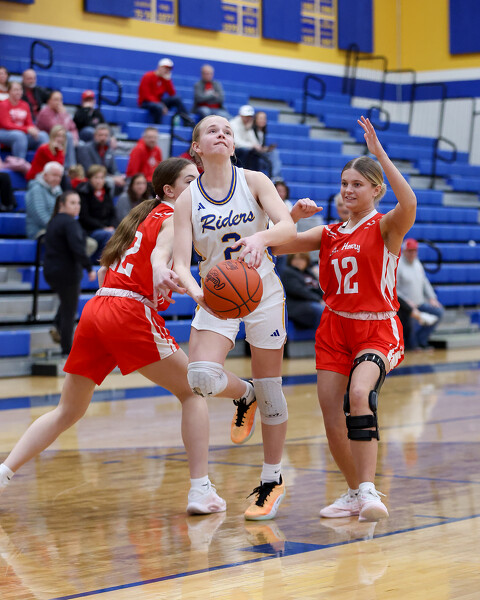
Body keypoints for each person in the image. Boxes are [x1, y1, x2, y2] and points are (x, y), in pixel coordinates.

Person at [0, 157, 227, 517]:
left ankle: (4, 472)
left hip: (98, 309)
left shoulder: (138, 218)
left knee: (68, 410)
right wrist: (167, 278)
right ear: (169, 190)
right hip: (127, 312)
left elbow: (110, 270)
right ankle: (201, 490)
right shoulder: (172, 216)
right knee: (192, 391)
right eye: (189, 180)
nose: (197, 185)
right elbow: (158, 255)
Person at [271, 117, 417, 522]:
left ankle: (369, 488)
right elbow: (277, 245)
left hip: (376, 327)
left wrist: (379, 154)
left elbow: (409, 204)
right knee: (330, 414)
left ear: (376, 190)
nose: (348, 190)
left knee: (359, 395)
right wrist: (292, 214)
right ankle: (354, 492)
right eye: (344, 184)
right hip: (334, 327)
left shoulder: (386, 225)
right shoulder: (328, 233)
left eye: (357, 184)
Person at [173, 115, 297, 521]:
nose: (222, 134)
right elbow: (180, 263)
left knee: (272, 387)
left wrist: (262, 237)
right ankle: (245, 394)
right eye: (212, 130)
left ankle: (272, 479)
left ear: (233, 143)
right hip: (218, 294)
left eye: (227, 130)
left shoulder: (255, 181)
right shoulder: (187, 199)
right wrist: (195, 292)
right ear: (197, 147)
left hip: (262, 290)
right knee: (200, 376)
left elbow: (287, 227)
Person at [43, 191, 96, 355]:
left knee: (66, 303)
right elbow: (77, 248)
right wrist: (89, 267)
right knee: (69, 311)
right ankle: (67, 349)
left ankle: (57, 325)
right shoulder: (70, 223)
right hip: (67, 272)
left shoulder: (54, 221)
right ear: (62, 204)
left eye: (78, 203)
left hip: (51, 271)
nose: (77, 206)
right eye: (72, 203)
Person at [396, 238, 443, 350]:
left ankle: (421, 340)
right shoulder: (398, 265)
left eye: (414, 251)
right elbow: (394, 289)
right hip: (406, 307)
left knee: (438, 312)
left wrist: (432, 298)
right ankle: (413, 345)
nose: (412, 253)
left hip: (420, 303)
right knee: (409, 324)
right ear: (404, 251)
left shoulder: (417, 263)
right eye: (410, 251)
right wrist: (406, 302)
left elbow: (425, 282)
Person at [77, 164, 117, 261]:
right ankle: (98, 262)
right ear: (90, 179)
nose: (99, 181)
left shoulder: (106, 191)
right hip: (89, 230)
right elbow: (84, 217)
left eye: (102, 178)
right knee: (108, 235)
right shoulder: (83, 193)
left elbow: (112, 213)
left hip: (106, 228)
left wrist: (111, 225)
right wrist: (103, 227)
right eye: (96, 178)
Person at [0, 81, 49, 159]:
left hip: (22, 133)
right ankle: (20, 162)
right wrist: (26, 129)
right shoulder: (3, 104)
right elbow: (7, 125)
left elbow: (29, 123)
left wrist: (33, 129)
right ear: (9, 91)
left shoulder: (25, 105)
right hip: (4, 132)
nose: (18, 92)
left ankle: (44, 162)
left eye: (20, 90)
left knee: (43, 135)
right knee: (19, 135)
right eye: (15, 90)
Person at [137, 58, 193, 126]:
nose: (167, 70)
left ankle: (187, 121)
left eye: (169, 69)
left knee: (177, 99)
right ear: (159, 67)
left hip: (158, 102)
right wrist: (161, 105)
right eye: (165, 68)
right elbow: (146, 95)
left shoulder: (164, 79)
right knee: (159, 107)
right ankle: (158, 126)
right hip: (146, 102)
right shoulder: (148, 76)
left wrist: (168, 80)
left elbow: (172, 94)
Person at [76, 124, 126, 195]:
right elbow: (89, 170)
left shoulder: (109, 150)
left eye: (105, 135)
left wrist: (119, 177)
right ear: (95, 136)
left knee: (124, 183)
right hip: (90, 180)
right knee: (110, 182)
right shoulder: (85, 149)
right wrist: (112, 178)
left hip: (105, 178)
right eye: (100, 135)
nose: (103, 138)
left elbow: (114, 169)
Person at [281, 252, 324, 331]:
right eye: (296, 259)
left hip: (313, 301)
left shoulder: (309, 272)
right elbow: (299, 291)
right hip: (298, 304)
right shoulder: (288, 272)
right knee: (320, 309)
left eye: (302, 259)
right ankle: (322, 335)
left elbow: (318, 288)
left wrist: (325, 299)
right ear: (290, 260)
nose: (299, 262)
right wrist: (318, 300)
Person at [36, 90, 79, 168]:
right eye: (56, 99)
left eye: (60, 100)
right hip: (49, 138)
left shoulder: (61, 112)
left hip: (59, 138)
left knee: (81, 144)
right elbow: (57, 129)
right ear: (49, 101)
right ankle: (70, 167)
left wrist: (75, 138)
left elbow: (73, 128)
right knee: (68, 136)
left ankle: (76, 168)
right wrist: (63, 114)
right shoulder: (45, 112)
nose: (59, 102)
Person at [25, 161, 64, 239]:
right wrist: (58, 228)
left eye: (59, 176)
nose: (57, 179)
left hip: (55, 229)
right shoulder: (36, 189)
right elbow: (40, 215)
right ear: (45, 175)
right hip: (39, 231)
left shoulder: (57, 190)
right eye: (54, 175)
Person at [229, 105, 270, 174]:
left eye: (250, 116)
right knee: (246, 151)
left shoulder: (248, 125)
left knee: (254, 152)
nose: (248, 118)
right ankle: (241, 172)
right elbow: (236, 142)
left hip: (244, 149)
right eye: (246, 116)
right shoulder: (233, 124)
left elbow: (253, 141)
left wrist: (248, 130)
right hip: (234, 150)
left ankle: (253, 174)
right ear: (241, 115)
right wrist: (252, 145)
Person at [253, 111, 282, 178]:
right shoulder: (251, 131)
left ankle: (276, 177)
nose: (263, 120)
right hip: (254, 155)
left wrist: (267, 148)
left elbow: (261, 146)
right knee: (274, 154)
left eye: (264, 118)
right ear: (255, 120)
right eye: (260, 118)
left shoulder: (263, 132)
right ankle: (275, 177)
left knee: (274, 153)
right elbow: (254, 145)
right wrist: (263, 149)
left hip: (261, 153)